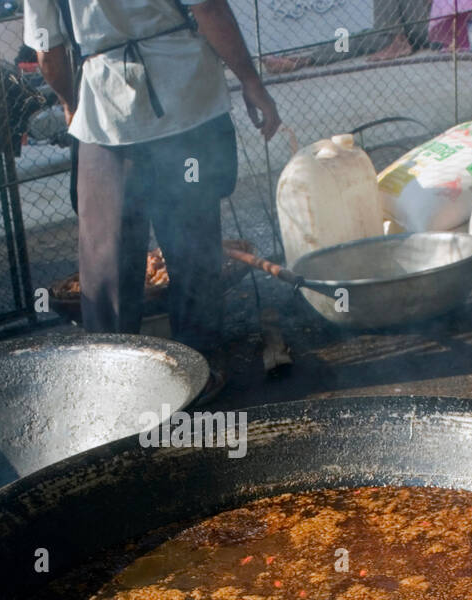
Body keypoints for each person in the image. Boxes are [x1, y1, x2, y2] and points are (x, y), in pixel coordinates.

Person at [23, 0, 281, 401]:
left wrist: (71, 102)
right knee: (193, 250)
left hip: (107, 115)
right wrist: (251, 81)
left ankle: (116, 387)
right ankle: (200, 372)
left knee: (108, 267)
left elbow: (48, 51)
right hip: (186, 105)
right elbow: (209, 8)